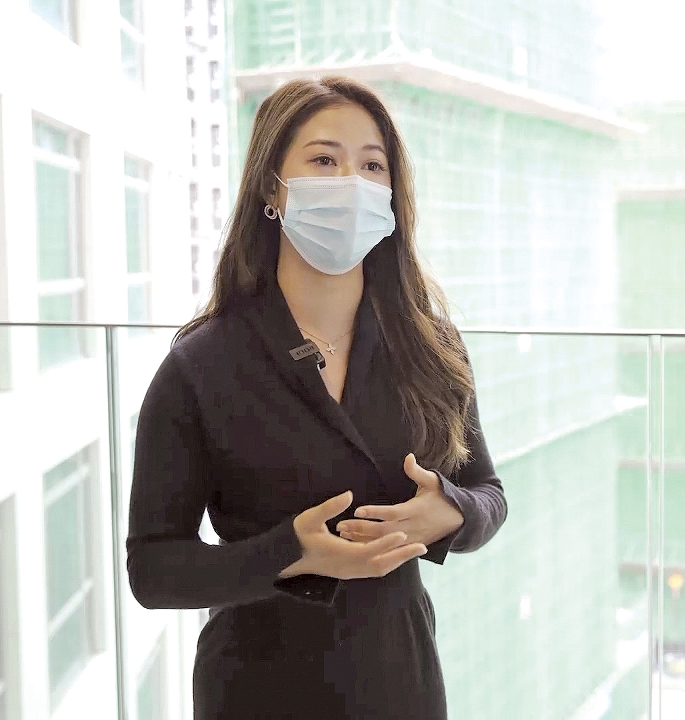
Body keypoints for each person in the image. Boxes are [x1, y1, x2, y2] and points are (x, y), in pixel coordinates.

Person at [125, 75, 508, 720]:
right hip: (257, 689)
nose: (351, 182)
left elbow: (488, 493)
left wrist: (452, 511)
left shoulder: (430, 346)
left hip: (400, 683)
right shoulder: (200, 366)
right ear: (272, 187)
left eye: (373, 166)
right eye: (325, 160)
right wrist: (289, 553)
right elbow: (154, 570)